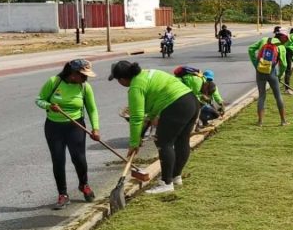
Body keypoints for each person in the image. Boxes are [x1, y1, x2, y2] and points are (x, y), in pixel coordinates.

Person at [109, 60, 199, 194]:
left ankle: (166, 183)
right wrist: (140, 136)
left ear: (122, 79)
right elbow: (151, 111)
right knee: (182, 141)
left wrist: (134, 142)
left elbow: (137, 117)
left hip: (176, 104)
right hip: (191, 101)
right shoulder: (146, 74)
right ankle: (175, 177)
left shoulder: (135, 87)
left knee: (164, 143)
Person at [35, 59, 99, 209]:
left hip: (75, 126)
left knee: (79, 159)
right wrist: (50, 106)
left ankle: (84, 185)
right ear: (73, 73)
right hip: (54, 127)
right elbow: (39, 100)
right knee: (58, 160)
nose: (85, 78)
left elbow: (92, 109)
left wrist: (95, 128)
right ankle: (62, 194)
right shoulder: (54, 82)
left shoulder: (84, 87)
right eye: (83, 75)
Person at [249, 31, 289, 126]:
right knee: (278, 96)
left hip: (260, 71)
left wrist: (256, 64)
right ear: (282, 37)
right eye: (286, 39)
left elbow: (250, 49)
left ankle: (260, 122)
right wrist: (279, 76)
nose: (286, 41)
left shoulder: (263, 40)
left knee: (262, 96)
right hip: (272, 73)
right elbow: (284, 65)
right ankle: (283, 121)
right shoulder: (281, 47)